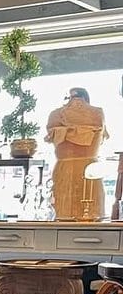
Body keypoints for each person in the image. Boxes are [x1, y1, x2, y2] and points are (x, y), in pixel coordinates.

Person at [45, 86, 108, 219]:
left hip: (66, 169)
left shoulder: (55, 115)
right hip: (90, 169)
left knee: (63, 217)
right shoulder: (97, 113)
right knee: (91, 216)